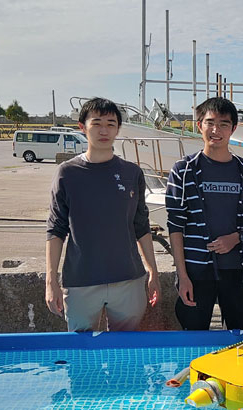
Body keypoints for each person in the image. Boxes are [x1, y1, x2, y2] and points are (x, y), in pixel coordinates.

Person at [45, 97, 161, 331]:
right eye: (96, 123)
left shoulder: (132, 172)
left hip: (128, 279)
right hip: (80, 282)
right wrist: (51, 281)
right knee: (82, 353)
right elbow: (56, 229)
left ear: (118, 129)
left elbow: (141, 226)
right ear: (82, 127)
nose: (104, 130)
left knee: (127, 352)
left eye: (110, 124)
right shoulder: (67, 173)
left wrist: (153, 272)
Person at [165, 97, 243, 330]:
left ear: (233, 129)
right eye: (210, 123)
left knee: (240, 339)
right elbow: (175, 225)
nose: (216, 130)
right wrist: (182, 275)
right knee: (193, 339)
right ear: (200, 126)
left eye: (224, 124)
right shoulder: (183, 170)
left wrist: (236, 238)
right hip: (196, 271)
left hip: (238, 272)